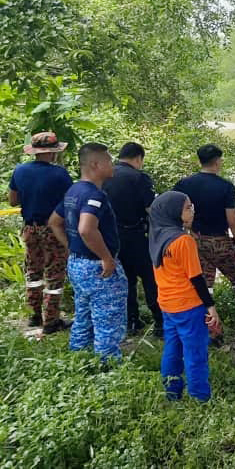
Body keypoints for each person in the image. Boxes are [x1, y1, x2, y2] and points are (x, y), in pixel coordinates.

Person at [174, 144, 235, 344]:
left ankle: (212, 333)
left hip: (195, 241)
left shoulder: (184, 184)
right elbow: (233, 221)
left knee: (203, 287)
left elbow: (175, 212)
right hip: (221, 242)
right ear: (217, 162)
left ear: (199, 161)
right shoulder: (225, 187)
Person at [48, 143, 128, 360]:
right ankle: (107, 366)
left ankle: (79, 359)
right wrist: (106, 258)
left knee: (83, 314)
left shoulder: (74, 190)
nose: (112, 164)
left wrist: (71, 247)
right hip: (97, 267)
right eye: (108, 160)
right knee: (108, 318)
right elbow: (86, 228)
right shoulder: (95, 195)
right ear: (95, 164)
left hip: (77, 263)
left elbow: (55, 222)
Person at [149, 191, 220, 402]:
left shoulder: (157, 235)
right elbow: (197, 279)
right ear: (174, 213)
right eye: (188, 208)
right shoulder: (183, 241)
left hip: (167, 304)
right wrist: (211, 307)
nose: (192, 212)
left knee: (172, 349)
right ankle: (200, 398)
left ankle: (172, 392)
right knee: (195, 352)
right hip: (189, 305)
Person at [8, 132, 73, 333]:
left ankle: (34, 315)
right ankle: (51, 320)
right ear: (53, 153)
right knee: (54, 273)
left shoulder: (20, 171)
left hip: (29, 228)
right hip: (52, 229)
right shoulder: (60, 175)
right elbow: (70, 203)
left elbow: (12, 201)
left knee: (33, 271)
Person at [103, 141, 161, 336]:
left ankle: (131, 322)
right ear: (138, 158)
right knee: (149, 278)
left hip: (113, 237)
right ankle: (160, 323)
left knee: (126, 280)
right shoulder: (139, 177)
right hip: (137, 235)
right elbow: (151, 209)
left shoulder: (106, 176)